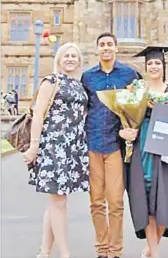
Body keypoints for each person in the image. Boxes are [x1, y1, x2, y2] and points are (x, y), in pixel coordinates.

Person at [23, 43, 89, 258]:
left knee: (57, 202)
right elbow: (39, 113)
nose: (70, 59)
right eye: (66, 55)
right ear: (59, 59)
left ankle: (45, 251)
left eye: (74, 56)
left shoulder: (79, 85)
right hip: (53, 145)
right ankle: (65, 253)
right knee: (59, 201)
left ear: (79, 61)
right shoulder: (52, 81)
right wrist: (34, 146)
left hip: (73, 147)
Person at [123, 46, 168, 258]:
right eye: (150, 63)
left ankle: (152, 248)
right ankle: (155, 252)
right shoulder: (136, 91)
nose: (153, 66)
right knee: (145, 197)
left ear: (163, 66)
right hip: (143, 144)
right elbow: (124, 117)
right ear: (145, 67)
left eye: (157, 63)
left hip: (167, 147)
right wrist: (125, 131)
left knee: (166, 201)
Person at [81, 32, 138, 258]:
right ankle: (102, 249)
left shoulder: (128, 74)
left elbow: (136, 107)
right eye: (102, 44)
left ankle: (116, 251)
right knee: (96, 202)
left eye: (110, 44)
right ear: (97, 49)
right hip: (92, 143)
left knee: (115, 202)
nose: (106, 48)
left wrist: (130, 131)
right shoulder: (87, 77)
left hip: (115, 145)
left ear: (116, 48)